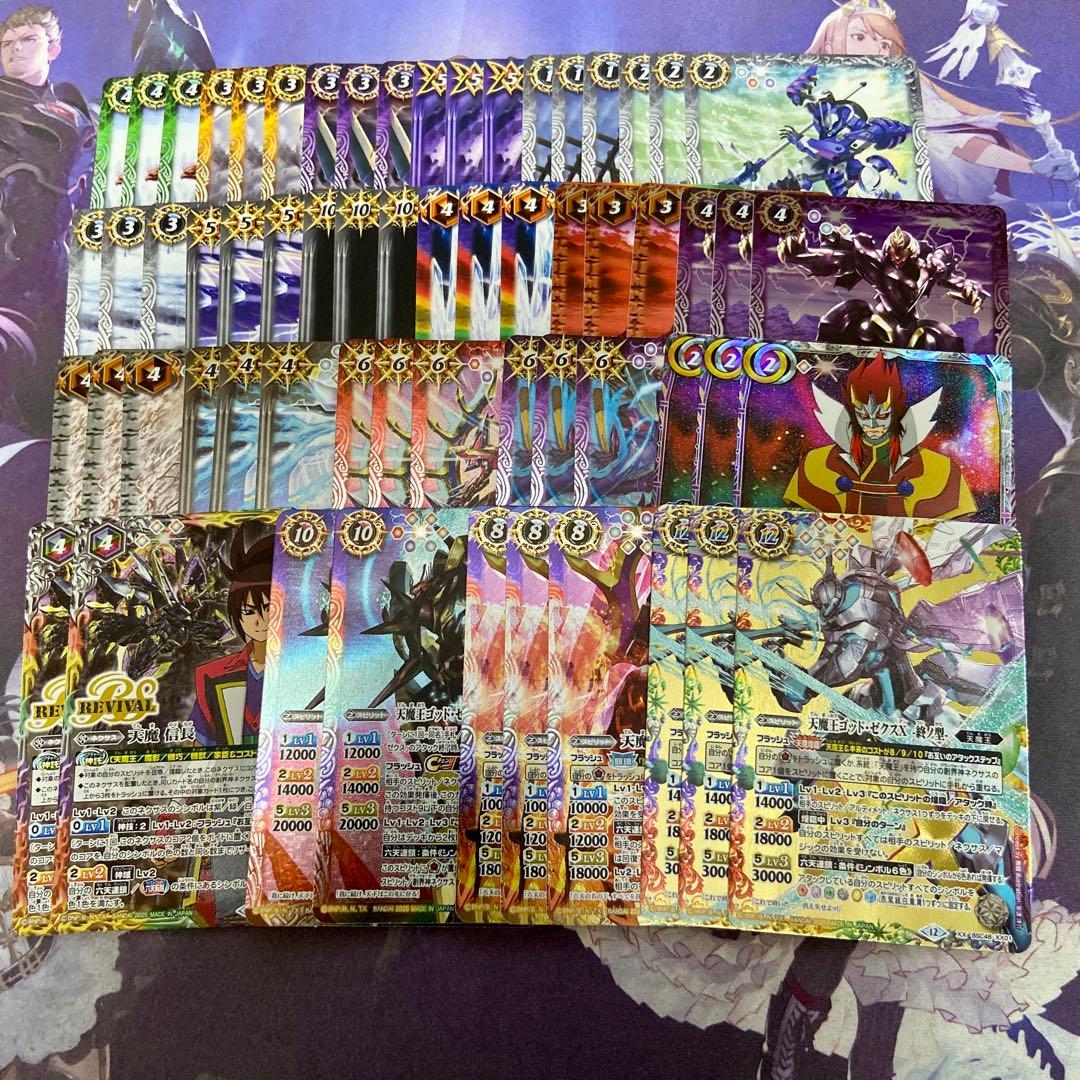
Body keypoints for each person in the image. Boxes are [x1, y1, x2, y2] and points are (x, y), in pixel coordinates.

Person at [806, 0, 1079, 204]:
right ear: (829, 43)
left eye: (885, 44)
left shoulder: (907, 88)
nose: (876, 48)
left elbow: (955, 138)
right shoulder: (801, 86)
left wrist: (1032, 166)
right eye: (859, 37)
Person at [0, 5, 94, 431]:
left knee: (45, 407)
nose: (14, 50)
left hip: (54, 277)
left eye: (28, 40)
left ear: (52, 49)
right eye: (6, 43)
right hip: (7, 270)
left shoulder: (77, 114)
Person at [783, 350, 976, 518]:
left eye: (882, 415)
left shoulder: (939, 468)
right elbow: (799, 522)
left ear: (896, 413)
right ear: (852, 413)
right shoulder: (816, 463)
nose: (872, 424)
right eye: (863, 415)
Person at [189, 533, 273, 747]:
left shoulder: (303, 669)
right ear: (238, 615)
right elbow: (201, 745)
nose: (260, 620)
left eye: (267, 608)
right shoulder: (214, 674)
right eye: (249, 612)